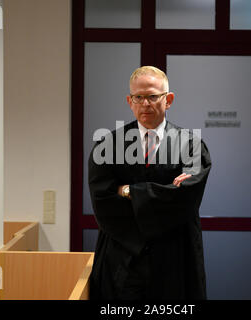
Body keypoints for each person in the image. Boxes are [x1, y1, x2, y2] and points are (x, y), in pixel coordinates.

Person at [88, 66, 211, 300]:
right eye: (138, 97)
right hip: (122, 258)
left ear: (169, 99)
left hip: (175, 257)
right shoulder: (107, 146)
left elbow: (185, 200)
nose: (145, 103)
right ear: (129, 100)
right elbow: (103, 202)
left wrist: (128, 191)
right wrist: (163, 195)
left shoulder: (191, 146)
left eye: (153, 96)